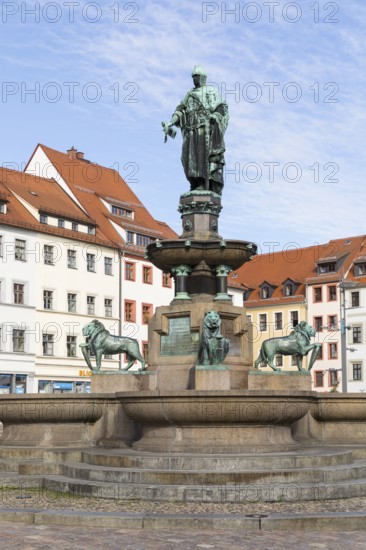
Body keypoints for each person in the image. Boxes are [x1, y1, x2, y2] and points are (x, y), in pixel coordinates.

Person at [162, 66, 229, 196]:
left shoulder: (212, 90)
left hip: (204, 130)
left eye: (196, 76)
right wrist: (170, 122)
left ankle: (202, 183)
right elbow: (180, 110)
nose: (194, 79)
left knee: (202, 156)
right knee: (187, 157)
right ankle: (193, 182)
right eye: (193, 77)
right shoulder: (189, 94)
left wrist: (216, 116)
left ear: (203, 77)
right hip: (190, 131)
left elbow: (222, 107)